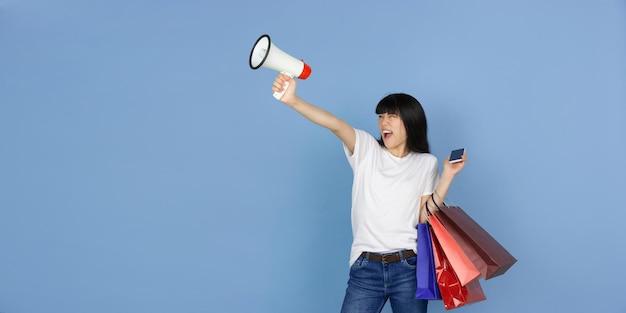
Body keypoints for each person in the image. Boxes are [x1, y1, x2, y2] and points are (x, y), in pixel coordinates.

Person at [271, 74, 466, 313]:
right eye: (381, 116)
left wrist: (447, 176)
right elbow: (334, 123)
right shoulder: (366, 148)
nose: (384, 122)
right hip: (365, 268)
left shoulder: (426, 163)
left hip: (408, 267)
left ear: (410, 121)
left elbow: (423, 218)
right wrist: (292, 100)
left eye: (392, 116)